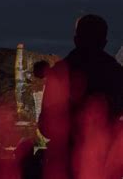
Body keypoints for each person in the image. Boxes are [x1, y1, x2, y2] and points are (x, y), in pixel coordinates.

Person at [39, 14, 123, 177]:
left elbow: (45, 125)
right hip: (104, 163)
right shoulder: (116, 73)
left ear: (76, 39)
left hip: (65, 163)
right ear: (104, 42)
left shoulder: (60, 72)